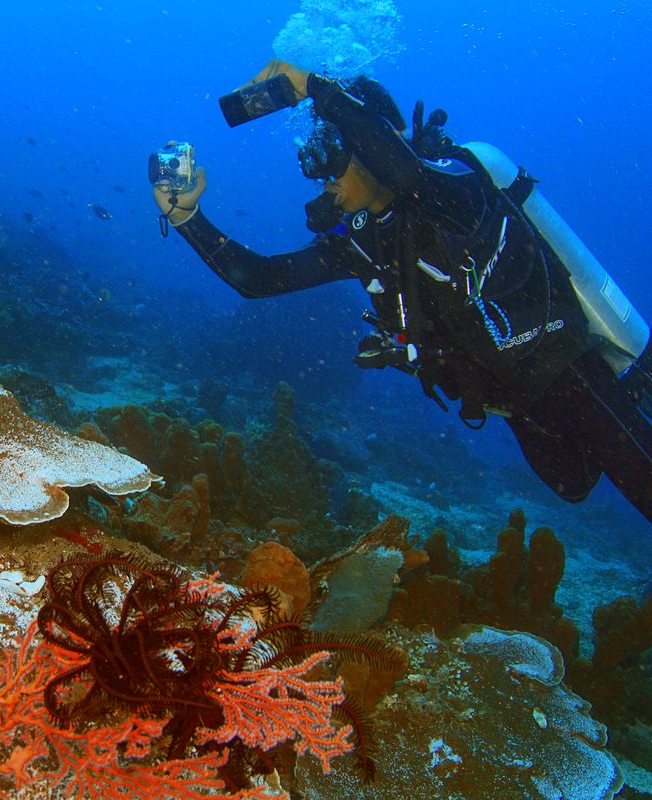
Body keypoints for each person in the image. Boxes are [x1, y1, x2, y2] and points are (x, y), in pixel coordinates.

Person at [154, 59, 652, 523]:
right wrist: (186, 217)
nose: (322, 177)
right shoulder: (364, 241)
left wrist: (315, 88)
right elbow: (260, 279)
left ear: (377, 143)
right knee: (574, 485)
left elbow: (407, 174)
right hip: (510, 397)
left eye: (335, 156)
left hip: (562, 369)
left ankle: (629, 386)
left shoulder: (456, 193)